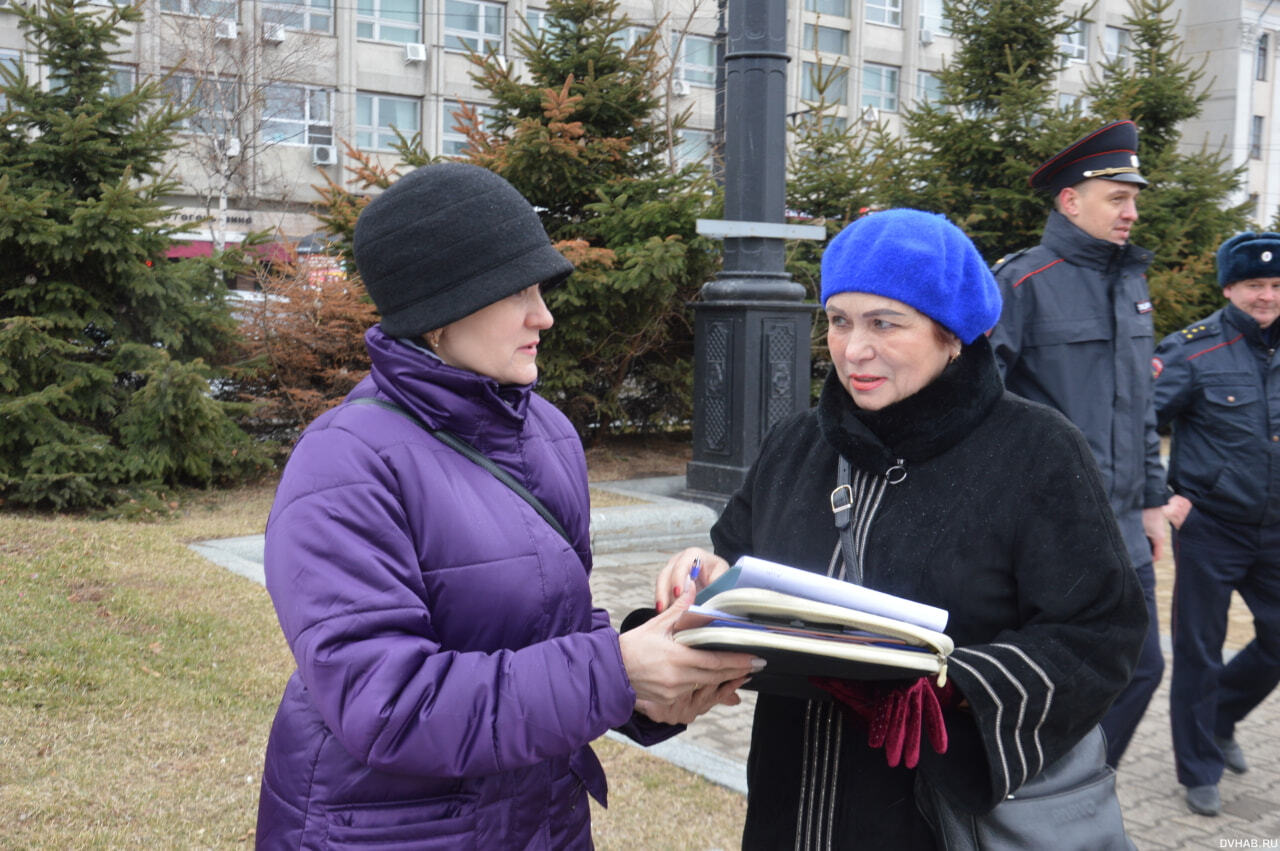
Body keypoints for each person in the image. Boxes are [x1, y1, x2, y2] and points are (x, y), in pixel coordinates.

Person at [254, 162, 761, 849]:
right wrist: (614, 671)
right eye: (517, 290)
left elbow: (552, 630)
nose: (543, 314)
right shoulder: (343, 462)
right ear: (438, 315)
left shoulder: (546, 434)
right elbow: (385, 703)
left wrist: (663, 662)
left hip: (539, 820)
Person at [655, 209, 1148, 848]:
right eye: (839, 321)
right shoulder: (796, 442)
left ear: (954, 334)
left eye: (885, 322)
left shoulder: (1039, 451)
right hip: (791, 806)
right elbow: (736, 567)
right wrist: (702, 574)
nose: (854, 349)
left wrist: (965, 692)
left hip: (935, 819)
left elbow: (1100, 630)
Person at [988, 119, 1168, 768]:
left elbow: (1138, 405)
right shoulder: (1020, 283)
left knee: (1141, 668)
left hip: (1123, 525)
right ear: (1071, 200)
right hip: (1053, 530)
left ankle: (1072, 784)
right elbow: (974, 405)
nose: (1132, 210)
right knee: (1057, 675)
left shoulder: (1130, 285)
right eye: (1118, 197)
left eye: (1133, 197)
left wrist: (1153, 500)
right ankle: (1035, 792)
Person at [1153, 230, 1280, 817]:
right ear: (1230, 287)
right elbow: (1138, 419)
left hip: (1277, 528)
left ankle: (1222, 713)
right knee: (1199, 651)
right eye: (1255, 284)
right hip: (1211, 527)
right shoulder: (1191, 349)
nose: (1267, 295)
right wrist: (1164, 494)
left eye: (1277, 285)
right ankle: (1199, 766)